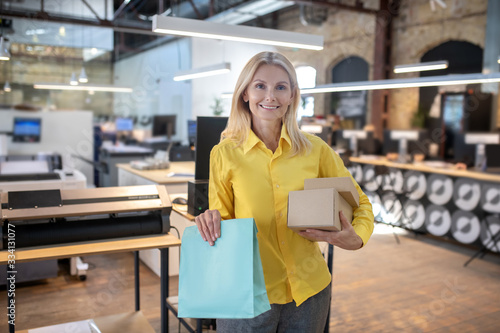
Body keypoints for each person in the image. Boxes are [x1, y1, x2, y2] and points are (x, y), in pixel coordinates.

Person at [195, 51, 374, 332]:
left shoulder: (315, 150)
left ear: (292, 95)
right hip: (249, 293)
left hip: (309, 292)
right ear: (245, 94)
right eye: (260, 86)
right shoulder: (225, 154)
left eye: (281, 87)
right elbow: (223, 220)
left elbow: (360, 202)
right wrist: (209, 220)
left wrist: (357, 238)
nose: (271, 96)